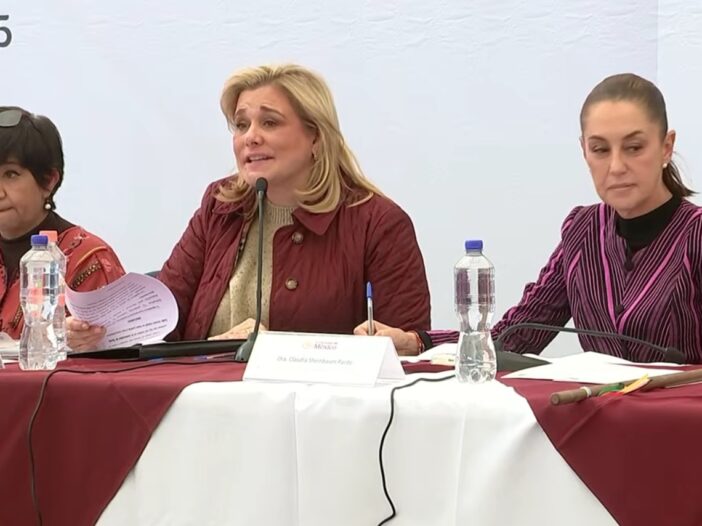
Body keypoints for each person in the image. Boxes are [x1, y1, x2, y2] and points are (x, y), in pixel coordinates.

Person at [68, 64, 430, 351]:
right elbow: (164, 314)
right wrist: (98, 332)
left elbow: (412, 346)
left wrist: (406, 343)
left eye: (269, 122)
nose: (250, 137)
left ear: (316, 137)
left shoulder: (377, 223)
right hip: (202, 401)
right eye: (241, 125)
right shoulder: (220, 206)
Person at [357, 73, 702, 363]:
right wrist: (416, 342)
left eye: (634, 147)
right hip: (599, 418)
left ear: (666, 146)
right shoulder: (582, 232)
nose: (616, 166)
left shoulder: (695, 233)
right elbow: (516, 336)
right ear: (584, 151)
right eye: (600, 149)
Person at [0, 107, 125, 340]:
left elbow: (114, 351)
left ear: (48, 181)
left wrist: (63, 338)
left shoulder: (89, 260)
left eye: (11, 174)